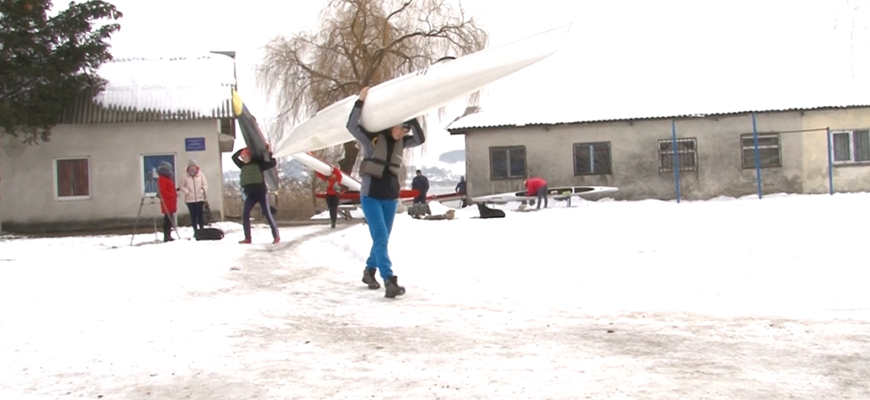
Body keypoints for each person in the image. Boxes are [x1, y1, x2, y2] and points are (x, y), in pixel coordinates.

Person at [346, 86, 425, 298]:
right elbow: (351, 125)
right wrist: (360, 102)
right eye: (400, 128)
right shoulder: (372, 139)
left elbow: (420, 138)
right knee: (380, 236)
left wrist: (411, 114)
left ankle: (369, 271)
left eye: (405, 130)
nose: (402, 133)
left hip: (390, 198)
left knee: (382, 238)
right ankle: (389, 279)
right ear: (391, 124)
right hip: (370, 196)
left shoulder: (404, 142)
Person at [231, 147, 280, 244]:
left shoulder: (258, 164)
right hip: (251, 195)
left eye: (246, 156)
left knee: (267, 214)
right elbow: (233, 157)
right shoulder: (242, 165)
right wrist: (243, 149)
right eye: (242, 157)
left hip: (261, 193)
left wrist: (269, 154)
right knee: (245, 215)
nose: (244, 158)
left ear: (250, 156)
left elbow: (273, 163)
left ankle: (276, 236)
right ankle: (247, 238)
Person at [179, 159, 208, 231]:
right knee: (193, 216)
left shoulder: (200, 174)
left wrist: (202, 191)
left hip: (199, 198)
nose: (193, 168)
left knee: (200, 215)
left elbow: (205, 184)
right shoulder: (184, 175)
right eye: (191, 166)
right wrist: (187, 192)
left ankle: (202, 229)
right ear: (189, 167)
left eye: (194, 166)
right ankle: (195, 230)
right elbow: (181, 186)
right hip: (189, 199)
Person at [155, 161, 178, 242]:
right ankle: (166, 236)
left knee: (169, 219)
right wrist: (171, 195)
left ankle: (168, 235)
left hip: (170, 201)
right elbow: (163, 191)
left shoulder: (166, 178)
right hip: (167, 202)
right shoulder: (163, 179)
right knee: (167, 220)